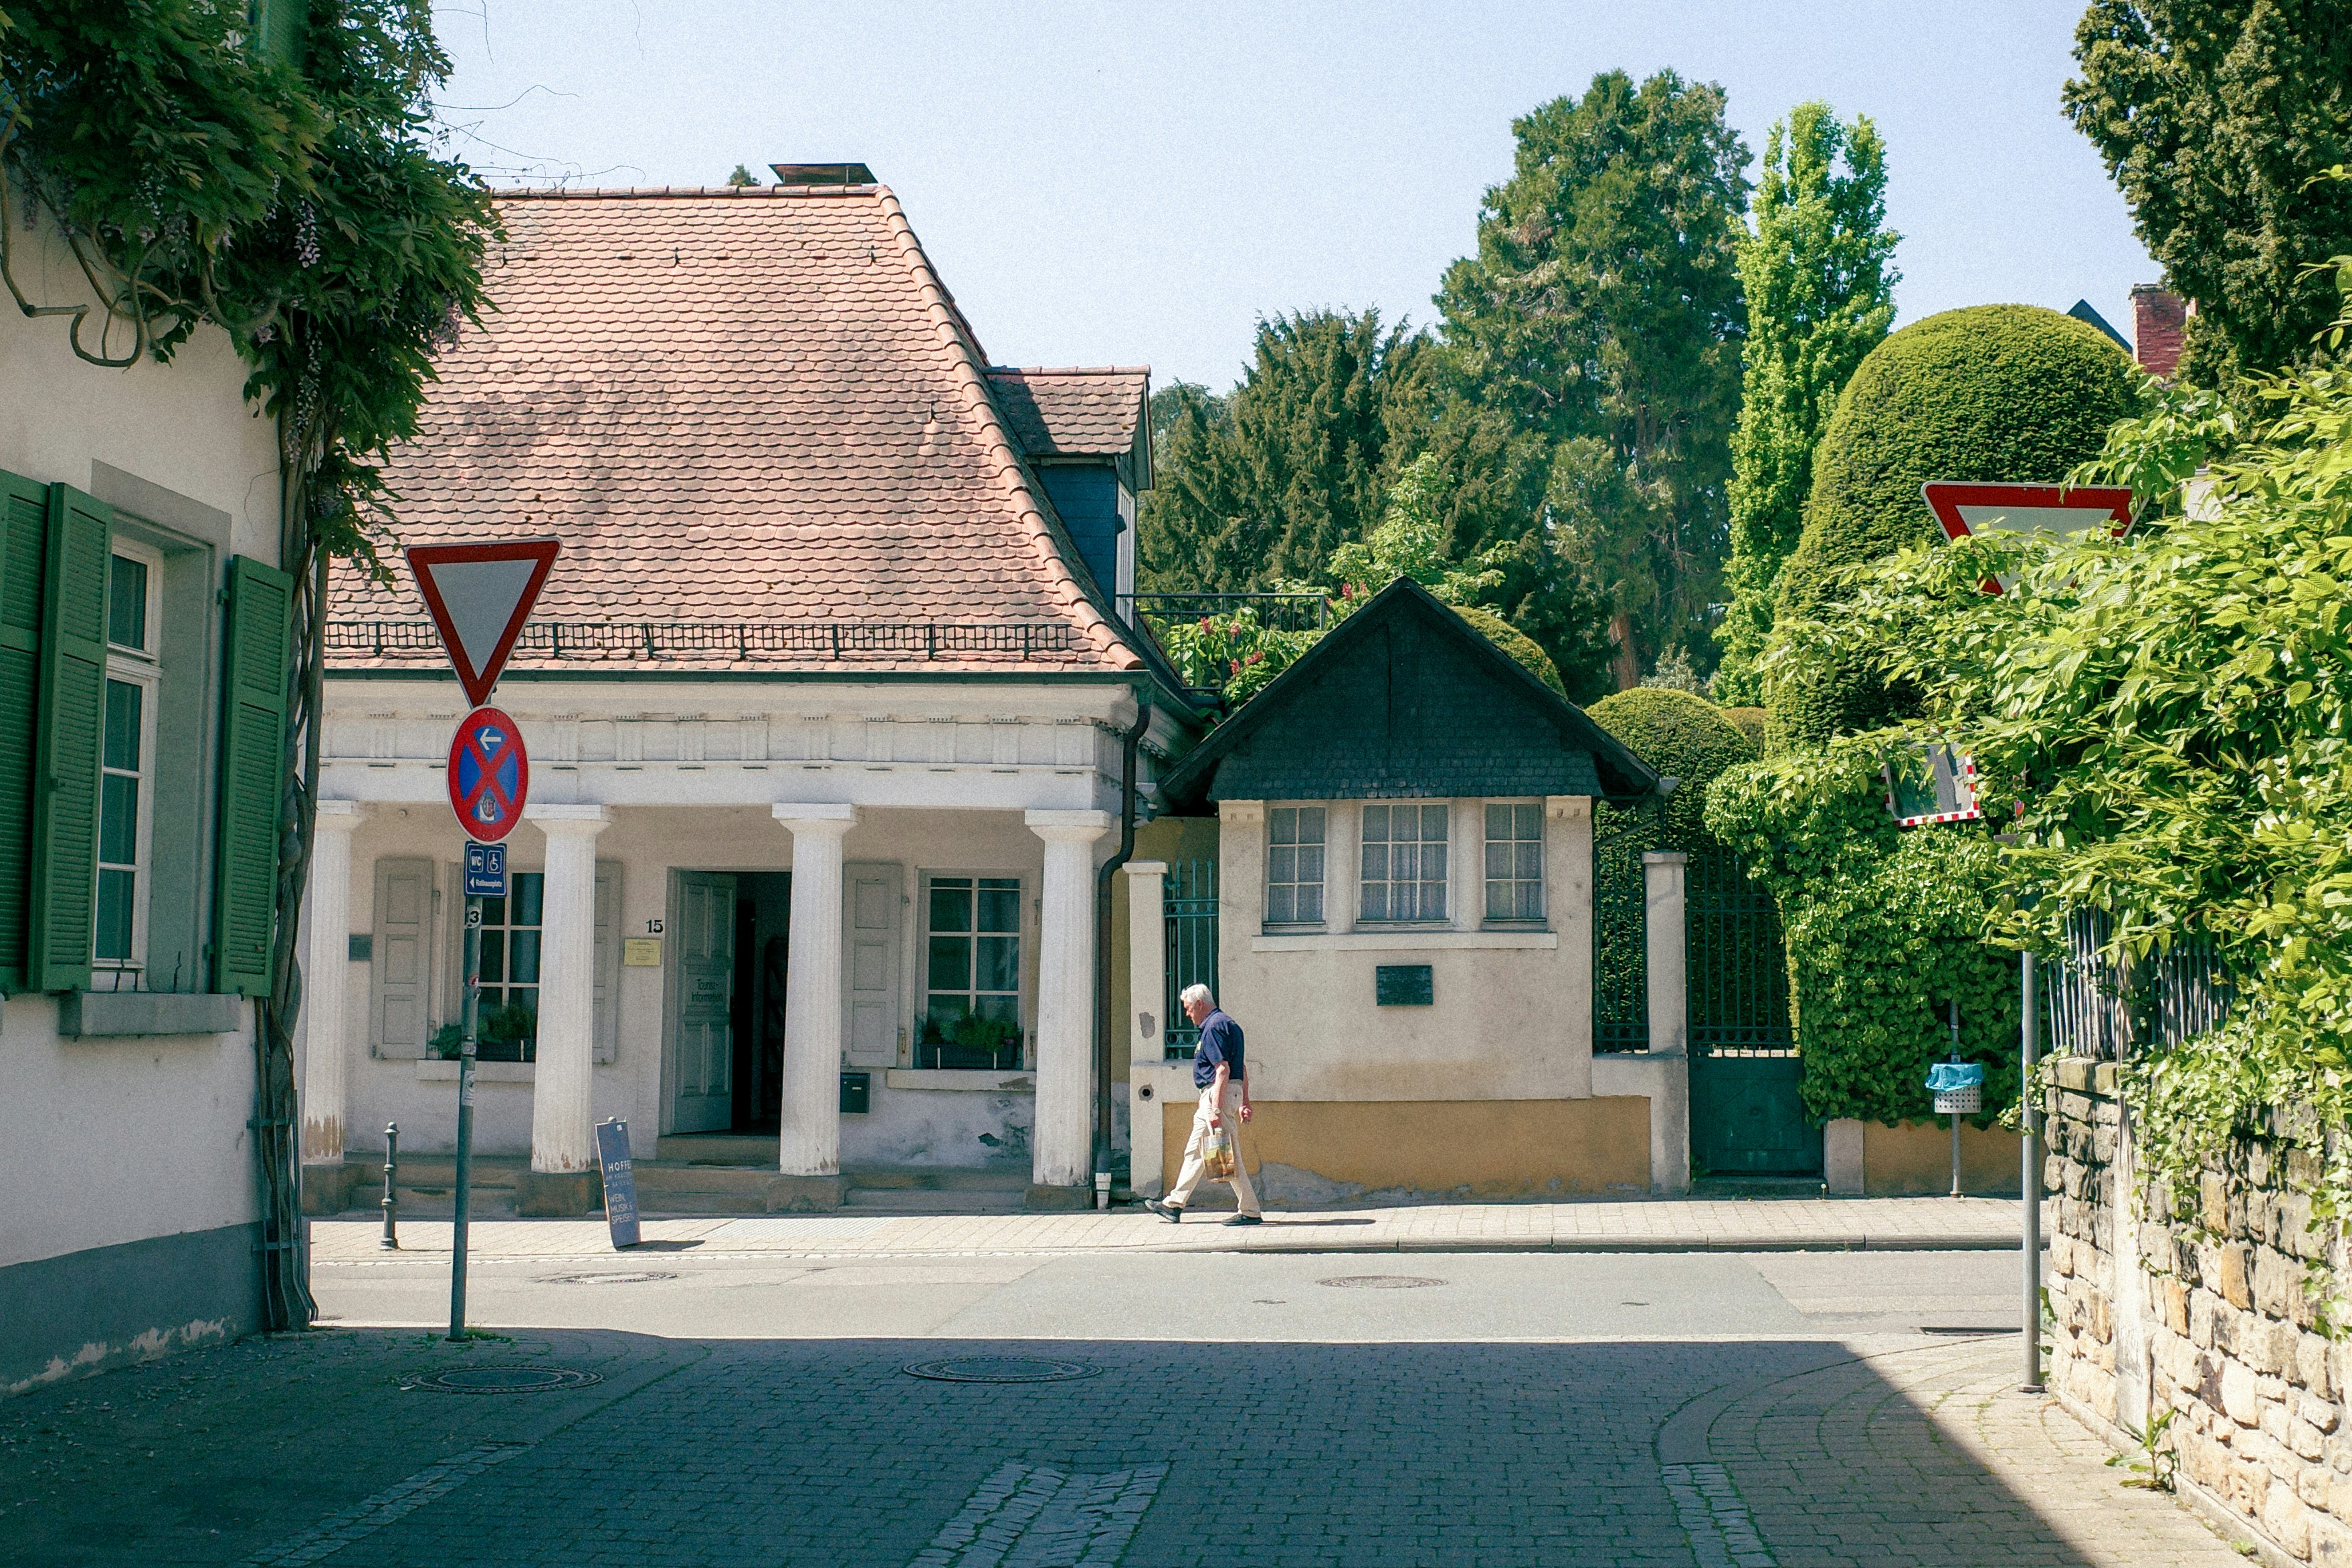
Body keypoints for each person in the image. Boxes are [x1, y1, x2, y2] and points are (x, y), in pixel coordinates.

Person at [1147, 983, 1262, 1225]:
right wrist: (1244, 1101)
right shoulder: (1229, 1024)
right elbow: (1241, 1068)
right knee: (1198, 1151)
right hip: (1224, 1094)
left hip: (1214, 1095)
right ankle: (1174, 1204)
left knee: (1226, 1154)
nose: (1187, 1014)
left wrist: (1216, 1109)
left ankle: (1250, 1211)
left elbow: (1223, 1070)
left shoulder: (1212, 1027)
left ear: (1200, 1004)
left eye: (1188, 1009)